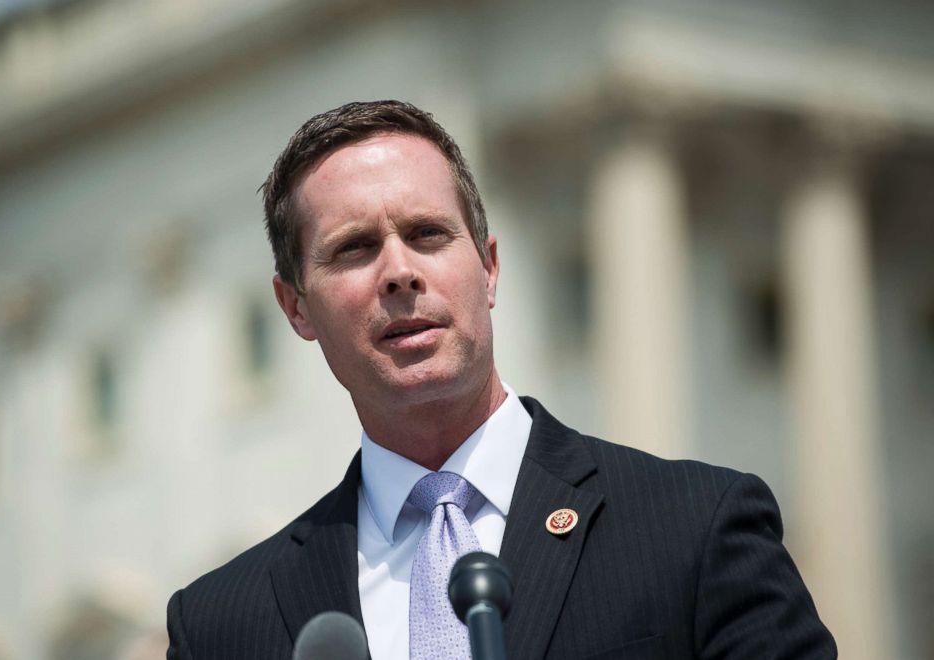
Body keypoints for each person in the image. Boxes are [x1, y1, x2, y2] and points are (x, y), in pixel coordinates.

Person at [165, 100, 836, 659]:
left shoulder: (696, 529)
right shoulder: (221, 626)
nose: (399, 272)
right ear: (296, 308)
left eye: (427, 234)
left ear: (488, 270)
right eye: (355, 249)